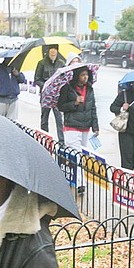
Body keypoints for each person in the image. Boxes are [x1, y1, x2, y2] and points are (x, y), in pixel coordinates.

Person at [57, 66, 99, 194]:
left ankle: (72, 177)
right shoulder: (67, 88)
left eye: (86, 75)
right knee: (77, 155)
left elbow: (93, 108)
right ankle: (81, 183)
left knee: (81, 156)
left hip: (85, 128)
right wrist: (74, 103)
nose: (85, 77)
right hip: (72, 127)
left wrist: (95, 126)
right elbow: (61, 106)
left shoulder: (90, 89)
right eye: (82, 75)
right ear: (77, 76)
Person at [110, 80, 134, 170]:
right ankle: (127, 175)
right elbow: (112, 107)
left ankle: (130, 170)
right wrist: (122, 108)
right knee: (127, 158)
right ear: (131, 84)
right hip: (126, 131)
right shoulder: (124, 94)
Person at [36, 45, 65, 143]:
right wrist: (45, 86)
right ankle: (45, 138)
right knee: (44, 118)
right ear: (48, 51)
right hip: (46, 94)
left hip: (57, 96)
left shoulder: (61, 64)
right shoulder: (41, 63)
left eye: (55, 50)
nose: (53, 52)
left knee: (59, 119)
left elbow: (64, 78)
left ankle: (61, 141)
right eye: (51, 50)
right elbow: (37, 79)